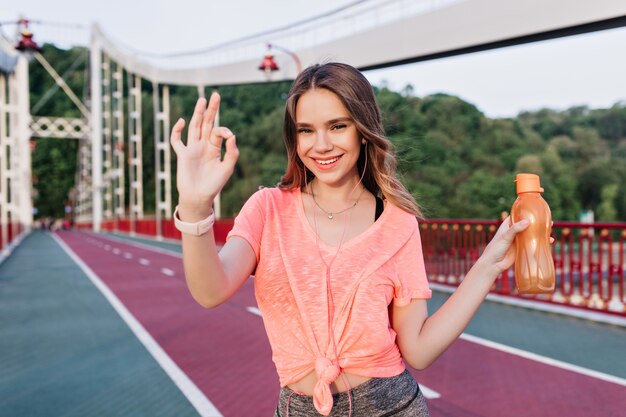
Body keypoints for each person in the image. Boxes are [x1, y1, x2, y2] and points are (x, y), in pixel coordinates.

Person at [170, 62, 531, 417]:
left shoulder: (398, 222)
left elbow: (418, 350)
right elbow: (210, 291)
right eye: (306, 131)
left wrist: (490, 265)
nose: (321, 145)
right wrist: (194, 205)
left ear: (362, 129)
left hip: (391, 406)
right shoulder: (267, 209)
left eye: (337, 126)